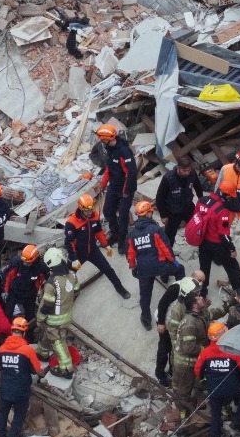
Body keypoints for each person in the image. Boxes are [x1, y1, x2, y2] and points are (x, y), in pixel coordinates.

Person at [126, 200, 183, 331]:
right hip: (160, 265)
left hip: (144, 270)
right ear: (147, 215)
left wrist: (133, 268)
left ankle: (146, 319)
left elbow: (130, 254)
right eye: (150, 212)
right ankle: (182, 298)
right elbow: (166, 249)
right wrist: (173, 260)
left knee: (145, 295)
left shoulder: (132, 235)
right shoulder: (155, 230)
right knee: (180, 269)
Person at [196, 321, 240, 437]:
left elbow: (198, 371)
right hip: (234, 387)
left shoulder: (205, 353)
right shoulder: (232, 352)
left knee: (215, 415)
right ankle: (237, 423)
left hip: (214, 390)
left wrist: (205, 381)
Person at [64, 195, 131, 299]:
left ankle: (120, 288)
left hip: (92, 251)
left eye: (91, 209)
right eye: (87, 211)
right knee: (69, 275)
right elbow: (69, 242)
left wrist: (106, 245)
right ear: (81, 209)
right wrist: (73, 259)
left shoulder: (94, 216)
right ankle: (68, 296)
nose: (89, 212)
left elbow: (98, 232)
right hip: (78, 254)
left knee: (108, 270)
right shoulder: (71, 223)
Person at [0, 316, 43, 437]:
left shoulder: (1, 349)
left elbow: (1, 367)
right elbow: (37, 371)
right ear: (24, 332)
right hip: (21, 390)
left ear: (12, 331)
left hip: (5, 388)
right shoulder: (28, 350)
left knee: (2, 413)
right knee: (19, 415)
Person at [187, 189, 240, 293]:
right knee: (233, 267)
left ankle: (202, 292)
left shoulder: (202, 201)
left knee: (204, 268)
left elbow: (195, 217)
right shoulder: (223, 211)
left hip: (203, 242)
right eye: (230, 197)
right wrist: (232, 249)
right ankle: (239, 293)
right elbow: (223, 234)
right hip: (218, 244)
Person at [166, 286, 210, 417]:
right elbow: (189, 347)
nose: (202, 297)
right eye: (199, 297)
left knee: (189, 385)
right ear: (195, 305)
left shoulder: (198, 316)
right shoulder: (189, 324)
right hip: (185, 364)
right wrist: (206, 350)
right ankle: (183, 413)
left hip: (191, 362)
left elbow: (210, 316)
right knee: (183, 390)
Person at [156, 272, 205, 386]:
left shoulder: (192, 290)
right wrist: (161, 322)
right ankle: (159, 374)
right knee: (164, 348)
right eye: (199, 280)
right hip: (166, 322)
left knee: (174, 351)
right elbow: (162, 304)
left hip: (178, 323)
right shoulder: (176, 288)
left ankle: (171, 374)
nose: (200, 284)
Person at [96, 123, 137, 254]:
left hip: (126, 188)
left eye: (102, 139)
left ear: (108, 138)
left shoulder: (124, 151)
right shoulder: (109, 149)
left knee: (124, 215)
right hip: (114, 185)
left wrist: (126, 191)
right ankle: (116, 233)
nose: (101, 142)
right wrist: (103, 184)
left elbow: (131, 173)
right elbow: (109, 168)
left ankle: (122, 240)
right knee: (108, 211)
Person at [38, 250, 81, 375]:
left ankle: (66, 368)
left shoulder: (51, 283)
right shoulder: (73, 276)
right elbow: (77, 291)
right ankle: (43, 353)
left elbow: (46, 305)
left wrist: (40, 319)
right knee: (49, 335)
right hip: (66, 316)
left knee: (58, 342)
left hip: (53, 319)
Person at [156, 156, 204, 245]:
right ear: (178, 167)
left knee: (199, 227)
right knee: (169, 236)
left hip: (188, 207)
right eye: (184, 170)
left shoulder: (192, 174)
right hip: (173, 212)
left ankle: (201, 246)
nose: (187, 173)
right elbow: (159, 198)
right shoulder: (168, 178)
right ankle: (168, 256)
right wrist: (163, 215)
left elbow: (198, 187)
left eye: (189, 170)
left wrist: (201, 202)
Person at [1, 244, 49, 326]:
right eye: (23, 262)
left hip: (30, 294)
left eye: (27, 263)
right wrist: (5, 291)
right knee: (7, 313)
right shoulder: (16, 262)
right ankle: (5, 331)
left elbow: (44, 281)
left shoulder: (41, 267)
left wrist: (41, 292)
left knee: (30, 316)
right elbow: (7, 277)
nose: (25, 264)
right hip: (14, 292)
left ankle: (30, 334)